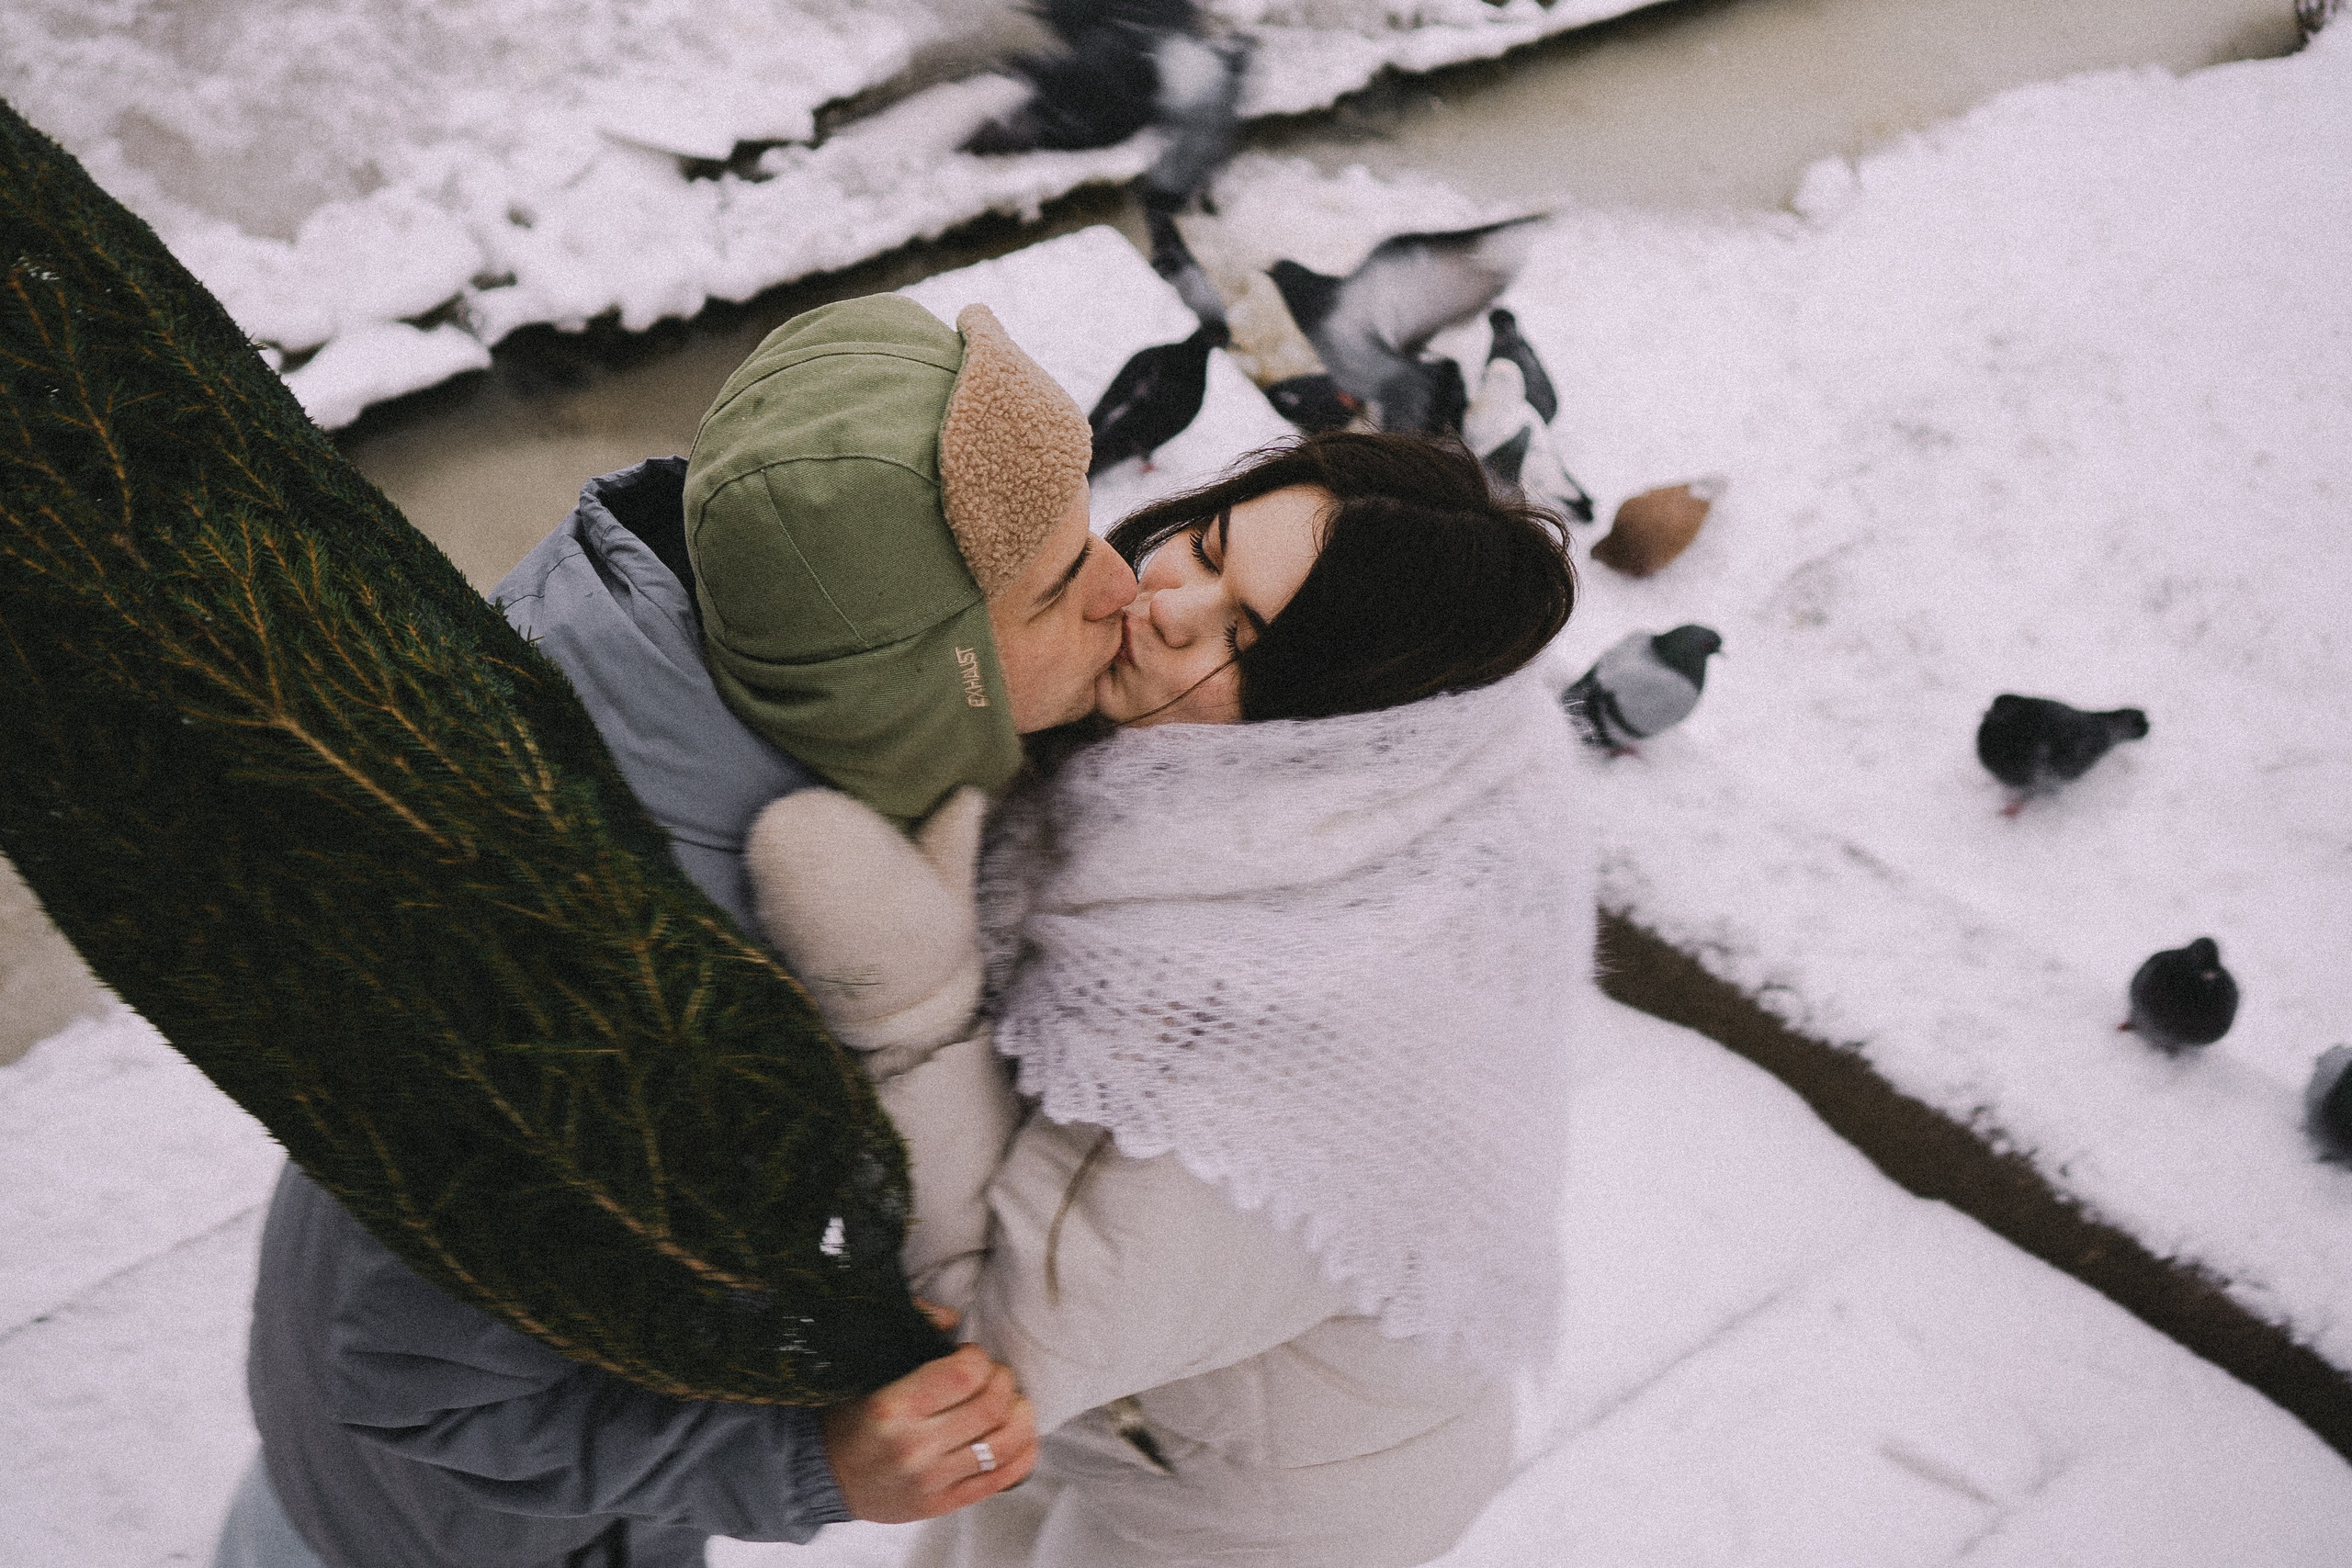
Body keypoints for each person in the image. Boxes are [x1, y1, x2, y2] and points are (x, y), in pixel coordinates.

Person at [219, 294, 1137, 1568]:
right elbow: (428, 1386)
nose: (1127, 588)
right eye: (1055, 587)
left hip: (377, 1401)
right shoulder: (610, 990)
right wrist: (808, 1462)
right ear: (912, 683)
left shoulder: (648, 682)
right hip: (444, 1533)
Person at [747, 431, 1590, 1568]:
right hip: (1181, 1401)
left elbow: (994, 1356)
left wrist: (908, 1010)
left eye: (1241, 633)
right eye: (1200, 543)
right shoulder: (1417, 767)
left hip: (1262, 1512)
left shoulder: (1248, 1042)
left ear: (1337, 719)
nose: (1168, 604)